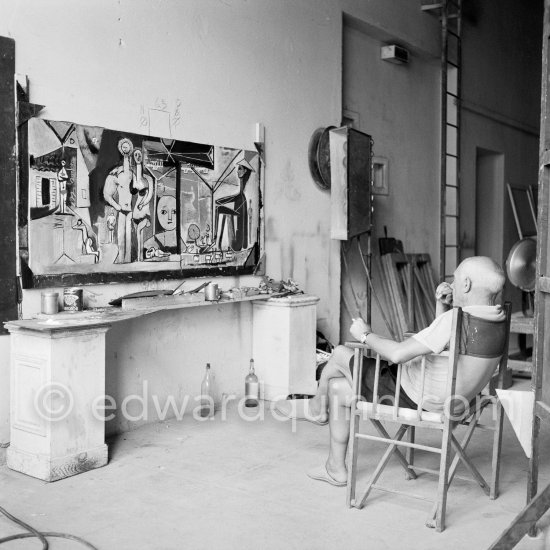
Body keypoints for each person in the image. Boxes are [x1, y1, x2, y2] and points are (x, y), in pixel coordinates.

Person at [275, 256, 506, 486]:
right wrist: (442, 307)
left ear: (466, 284)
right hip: (456, 401)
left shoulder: (456, 320)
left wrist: (365, 334)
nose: (452, 285)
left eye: (455, 280)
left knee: (340, 354)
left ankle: (317, 408)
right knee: (337, 389)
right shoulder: (496, 320)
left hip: (411, 395)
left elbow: (397, 354)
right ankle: (335, 466)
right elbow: (446, 349)